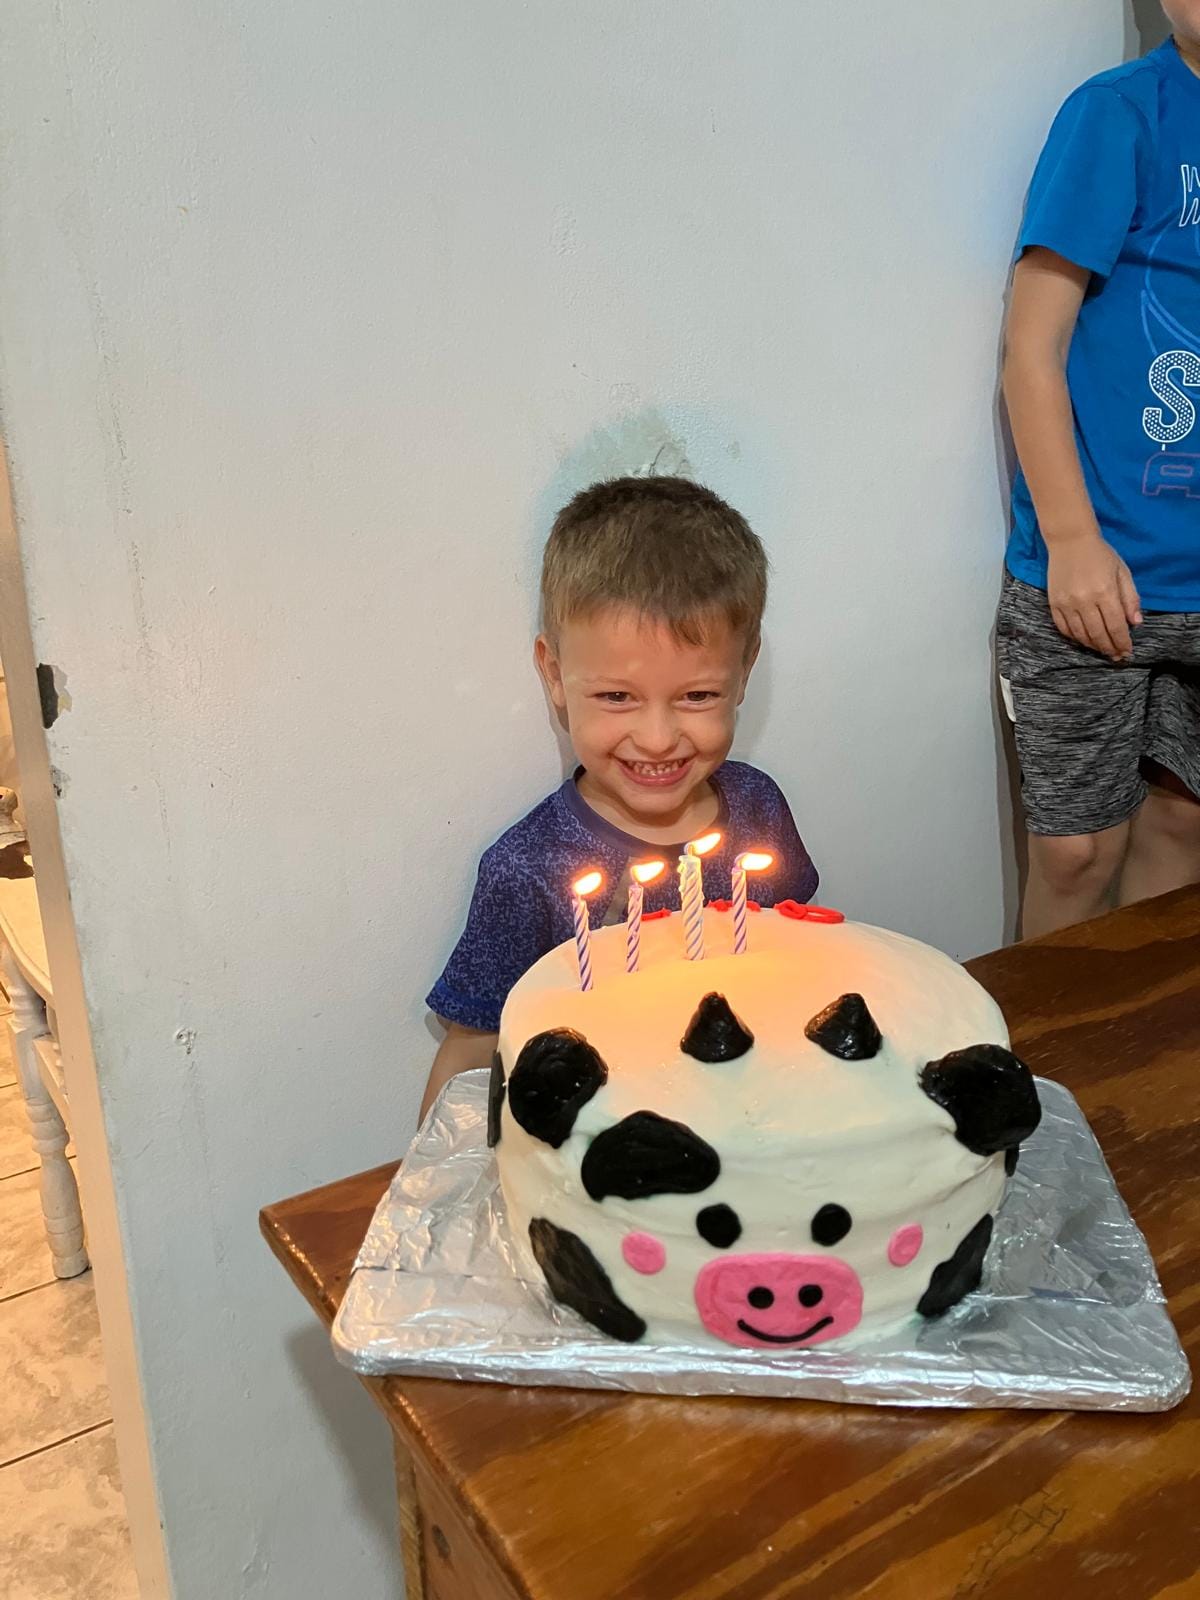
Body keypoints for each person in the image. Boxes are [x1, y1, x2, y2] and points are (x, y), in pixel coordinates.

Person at [419, 475, 818, 1120]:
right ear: (554, 673)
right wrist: (442, 1166)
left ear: (744, 672)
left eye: (697, 695)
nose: (657, 738)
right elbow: (474, 1048)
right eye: (616, 696)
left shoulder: (758, 808)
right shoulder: (528, 868)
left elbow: (798, 952)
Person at [997, 7, 1200, 938]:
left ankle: (1140, 1029)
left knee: (1185, 822)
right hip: (1096, 578)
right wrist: (1073, 537)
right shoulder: (1118, 115)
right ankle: (1045, 1034)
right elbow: (1031, 347)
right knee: (1075, 854)